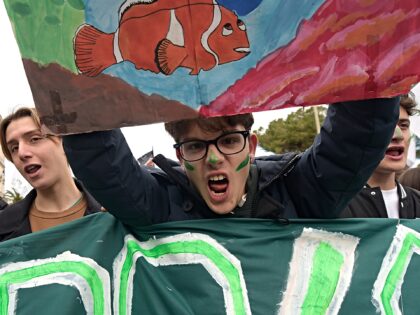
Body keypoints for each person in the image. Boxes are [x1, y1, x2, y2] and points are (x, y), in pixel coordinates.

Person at [63, 96, 399, 226]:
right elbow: (105, 165)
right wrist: (75, 87)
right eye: (195, 146)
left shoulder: (301, 192)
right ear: (180, 156)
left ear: (251, 146)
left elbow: (354, 140)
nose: (213, 158)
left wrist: (373, 59)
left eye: (228, 141)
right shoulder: (160, 207)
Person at [0, 107, 103, 241]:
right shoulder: (4, 226)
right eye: (14, 148)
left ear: (64, 141)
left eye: (34, 139)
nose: (21, 153)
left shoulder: (113, 211)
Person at [341, 94, 420, 218]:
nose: (397, 136)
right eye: (384, 125)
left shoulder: (417, 202)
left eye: (403, 125)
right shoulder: (334, 208)